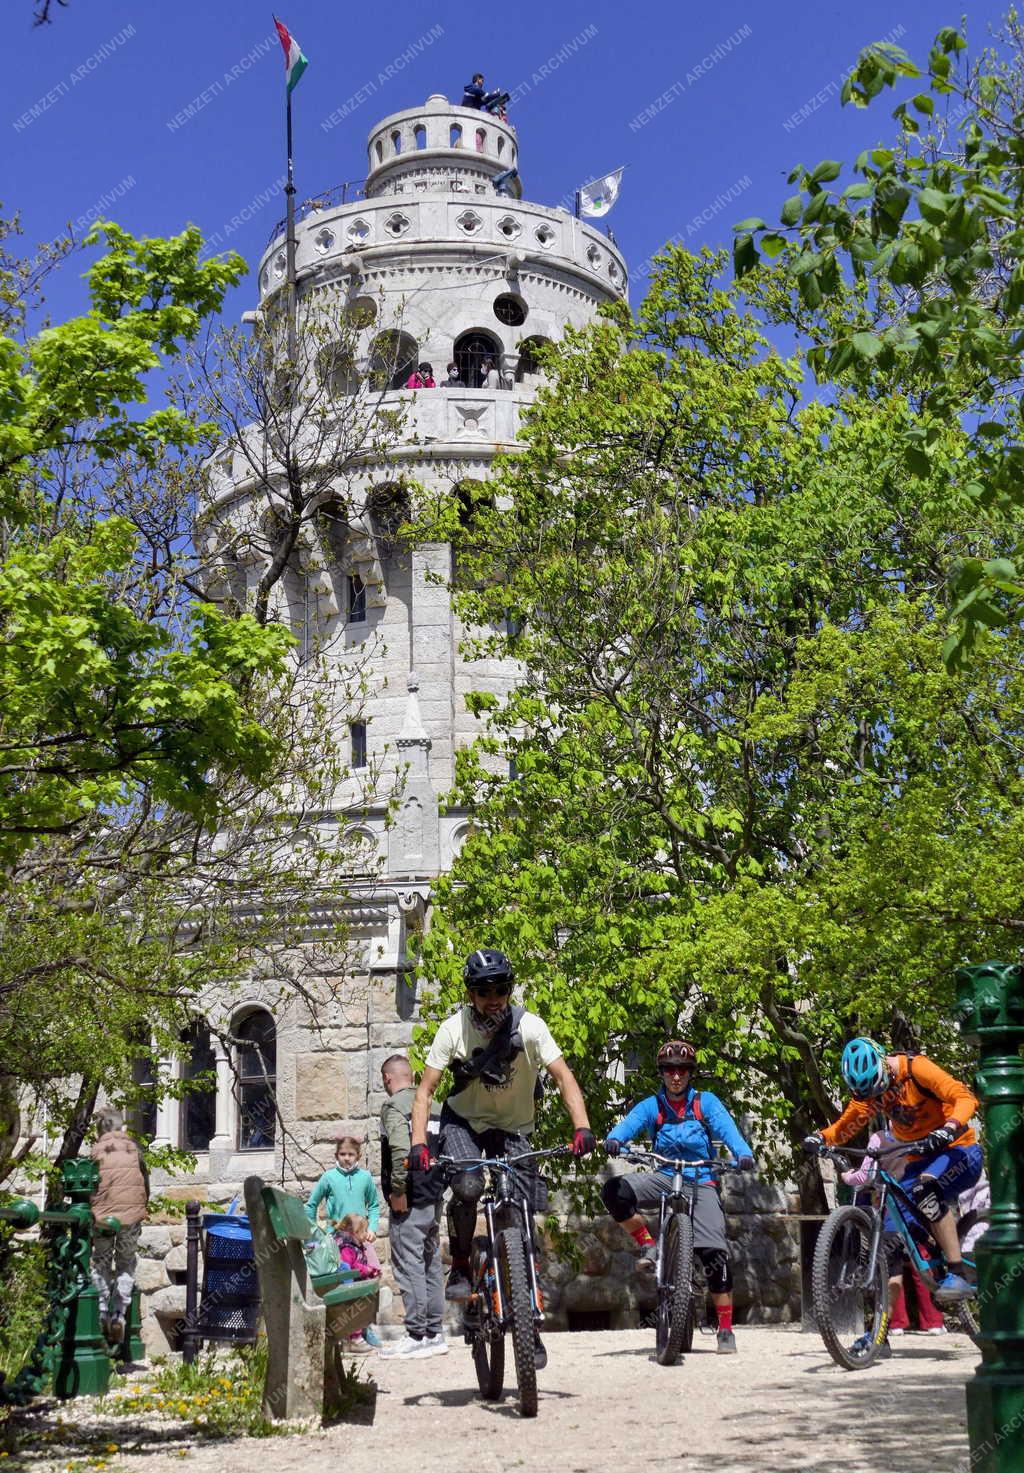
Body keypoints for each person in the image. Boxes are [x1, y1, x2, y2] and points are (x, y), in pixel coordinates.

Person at [408, 947, 595, 1370]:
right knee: (470, 1185)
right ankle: (459, 1265)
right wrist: (420, 1142)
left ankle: (529, 1320)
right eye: (483, 990)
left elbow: (564, 1076)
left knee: (522, 1211)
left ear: (510, 989)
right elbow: (424, 1092)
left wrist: (581, 1126)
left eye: (501, 989)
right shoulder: (452, 1030)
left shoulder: (529, 1028)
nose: (493, 998)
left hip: (514, 1128)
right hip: (464, 1125)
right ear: (471, 993)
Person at [804, 1037, 983, 1357]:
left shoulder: (917, 1070)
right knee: (888, 1246)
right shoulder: (869, 1091)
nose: (874, 1098)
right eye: (867, 1094)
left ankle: (956, 1270)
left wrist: (950, 1126)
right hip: (916, 1160)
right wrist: (821, 1138)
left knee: (925, 1187)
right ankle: (879, 1335)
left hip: (959, 1150)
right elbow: (846, 1126)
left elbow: (964, 1096)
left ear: (884, 1065)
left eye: (876, 1089)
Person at [602, 1041, 755, 1355]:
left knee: (715, 1253)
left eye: (682, 1070)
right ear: (662, 1073)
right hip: (663, 1177)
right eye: (670, 1070)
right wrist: (616, 1140)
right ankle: (648, 1243)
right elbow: (626, 1126)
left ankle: (725, 1329)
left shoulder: (705, 1103)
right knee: (614, 1191)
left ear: (690, 1074)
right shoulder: (652, 1106)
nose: (676, 1076)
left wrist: (743, 1154)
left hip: (702, 1181)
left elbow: (729, 1132)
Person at [840, 1129, 946, 1337]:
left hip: (891, 1212)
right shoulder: (923, 1132)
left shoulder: (878, 1138)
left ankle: (895, 1323)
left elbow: (865, 1176)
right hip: (918, 1208)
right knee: (923, 1265)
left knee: (891, 1269)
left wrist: (846, 1175)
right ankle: (933, 1321)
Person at [378, 1053, 448, 1360]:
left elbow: (400, 1150)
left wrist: (398, 1190)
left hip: (410, 1198)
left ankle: (417, 1334)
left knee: (409, 1265)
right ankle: (435, 1333)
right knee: (431, 1263)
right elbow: (447, 1150)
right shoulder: (435, 1106)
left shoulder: (394, 1106)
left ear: (388, 1079)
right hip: (433, 1196)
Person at [89, 1107, 149, 1345]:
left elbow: (90, 1185)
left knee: (101, 1261)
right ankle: (118, 1314)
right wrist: (142, 1208)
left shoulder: (96, 1151)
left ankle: (101, 1310)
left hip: (103, 1217)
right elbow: (145, 1181)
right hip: (130, 1217)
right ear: (121, 1127)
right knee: (126, 1263)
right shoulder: (134, 1149)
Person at [305, 1135, 381, 1239]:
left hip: (360, 1238)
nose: (346, 1158)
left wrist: (372, 1228)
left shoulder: (366, 1177)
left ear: (359, 1156)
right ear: (336, 1156)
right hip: (336, 1238)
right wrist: (312, 1233)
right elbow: (311, 1205)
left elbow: (373, 1205)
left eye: (351, 1154)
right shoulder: (328, 1177)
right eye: (342, 1154)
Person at [334, 1213, 382, 1355]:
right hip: (348, 1285)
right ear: (355, 1232)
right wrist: (367, 1270)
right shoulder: (346, 1247)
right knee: (356, 1305)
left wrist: (371, 1271)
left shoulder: (355, 1244)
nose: (366, 1234)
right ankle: (354, 1339)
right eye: (364, 1231)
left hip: (355, 1282)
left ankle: (356, 1336)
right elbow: (350, 1267)